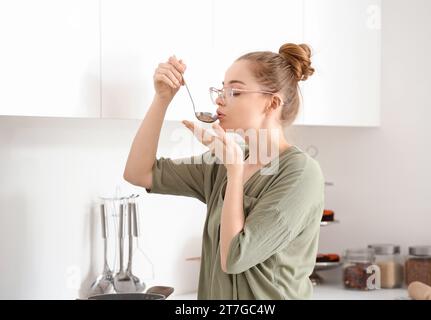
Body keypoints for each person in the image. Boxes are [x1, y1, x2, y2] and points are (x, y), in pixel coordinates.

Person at [123, 43, 325, 299]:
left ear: (271, 103)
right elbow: (138, 173)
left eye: (235, 91)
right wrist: (162, 99)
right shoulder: (226, 160)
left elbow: (234, 257)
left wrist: (235, 173)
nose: (220, 98)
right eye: (221, 89)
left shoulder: (300, 173)